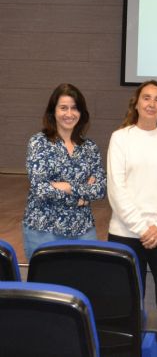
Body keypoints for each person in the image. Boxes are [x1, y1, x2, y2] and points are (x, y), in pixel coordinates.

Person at [107, 80, 157, 357]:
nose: (152, 103)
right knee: (124, 307)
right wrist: (144, 228)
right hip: (126, 235)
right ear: (136, 103)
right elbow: (116, 190)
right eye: (147, 98)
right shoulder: (121, 138)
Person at [23, 83, 106, 259]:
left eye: (75, 108)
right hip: (43, 230)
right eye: (63, 108)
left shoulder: (90, 147)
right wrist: (81, 195)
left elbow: (100, 189)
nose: (69, 114)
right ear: (53, 111)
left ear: (81, 113)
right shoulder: (39, 143)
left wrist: (65, 186)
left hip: (83, 230)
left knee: (83, 283)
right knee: (44, 286)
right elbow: (40, 189)